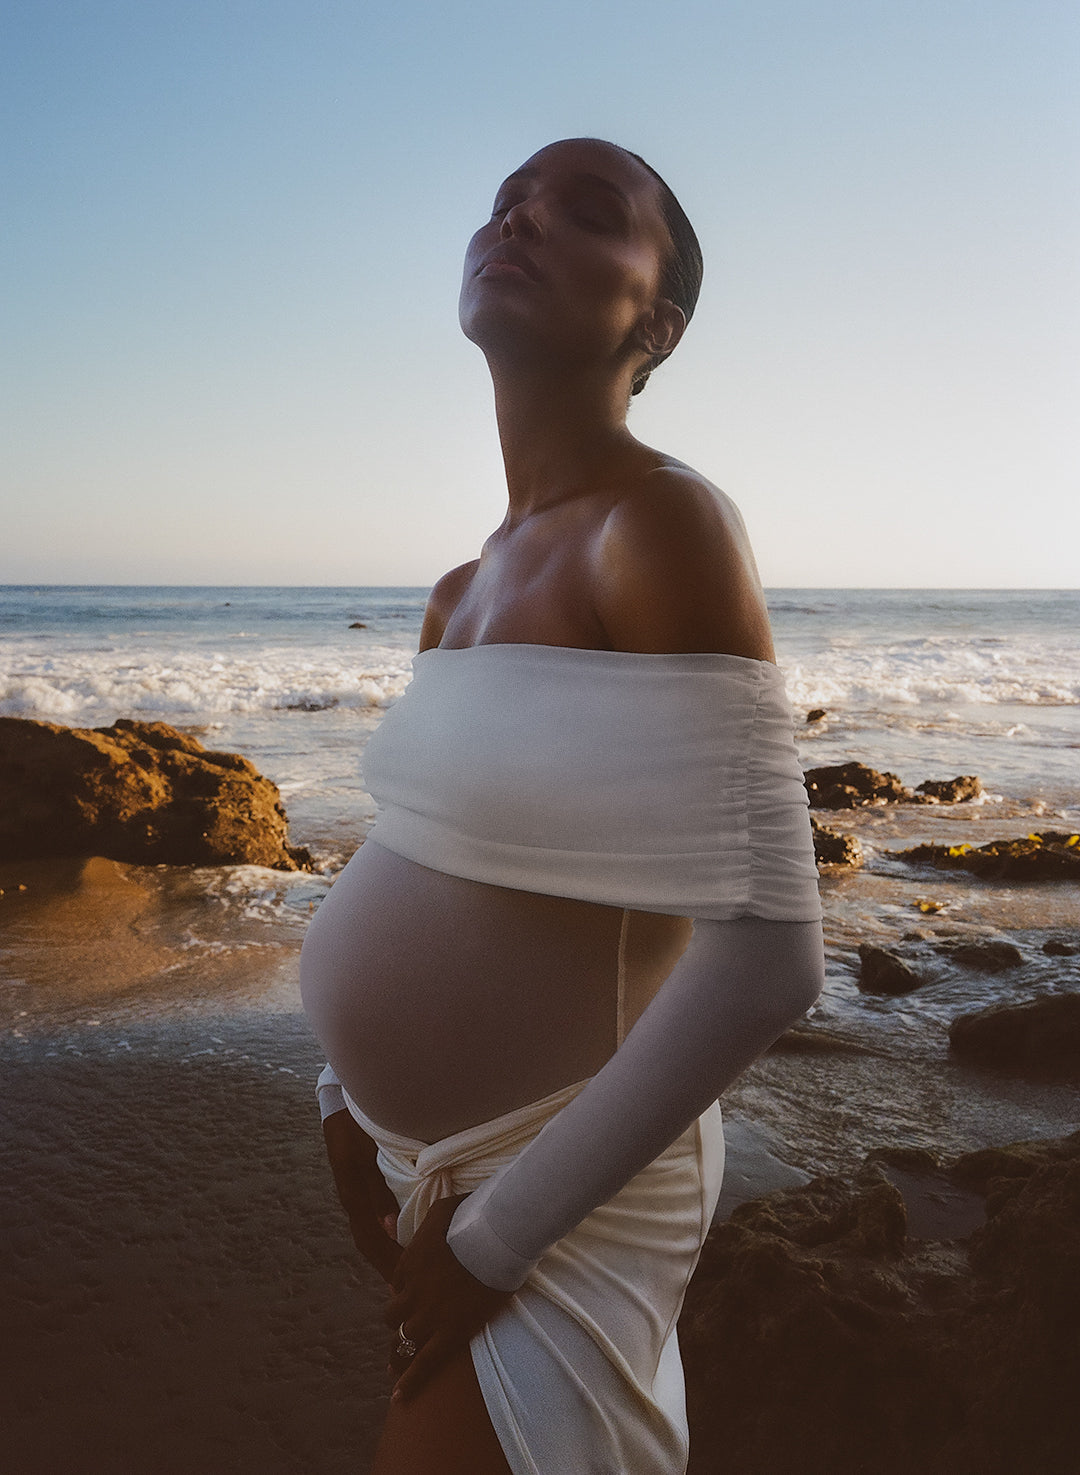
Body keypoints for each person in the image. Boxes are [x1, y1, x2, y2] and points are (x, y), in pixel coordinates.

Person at [299, 137, 824, 1475]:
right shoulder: (458, 589)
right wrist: (342, 1107)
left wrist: (497, 1236)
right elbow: (431, 850)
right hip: (439, 1175)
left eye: (586, 209)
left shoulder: (661, 526)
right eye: (506, 200)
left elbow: (770, 961)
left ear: (653, 324)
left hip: (559, 1190)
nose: (521, 214)